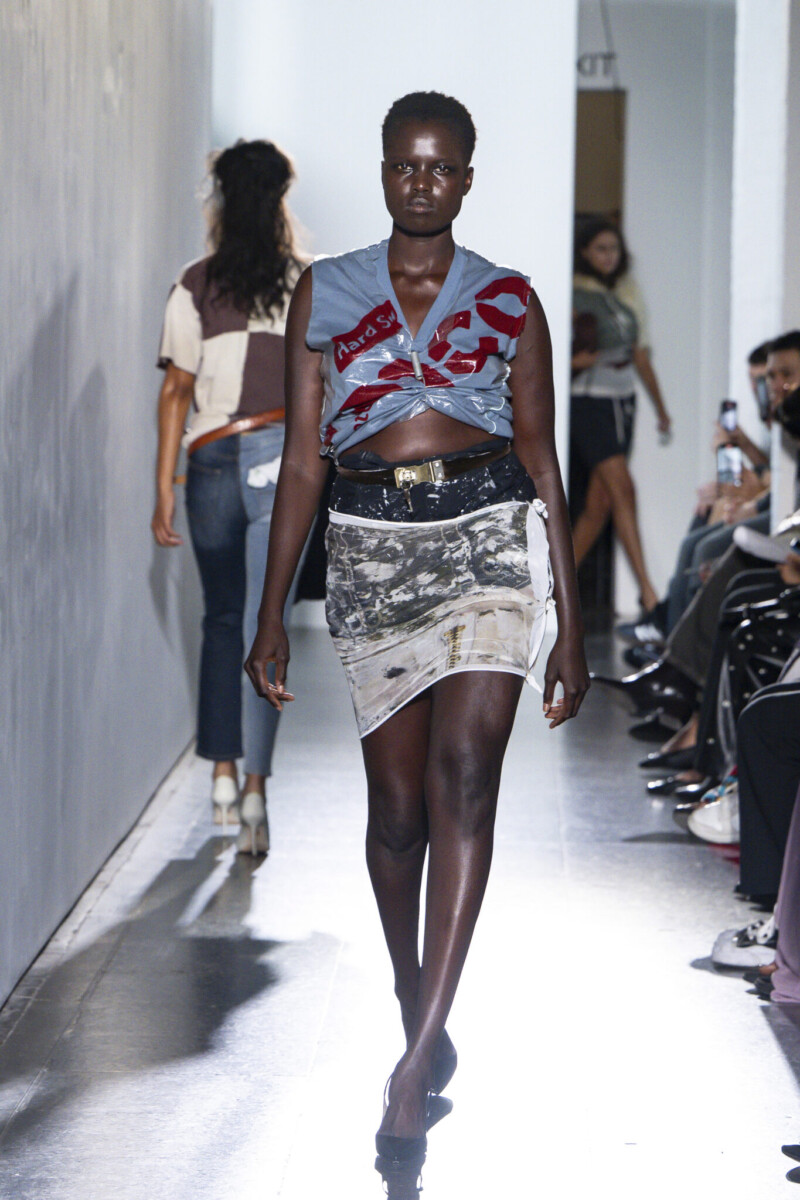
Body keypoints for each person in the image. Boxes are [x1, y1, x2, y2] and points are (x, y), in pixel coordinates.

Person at [244, 91, 589, 1191]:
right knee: (396, 818)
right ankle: (414, 1001)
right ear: (385, 169)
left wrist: (568, 621)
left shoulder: (510, 299)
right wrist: (270, 612)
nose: (421, 183)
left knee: (464, 784)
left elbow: (541, 460)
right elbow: (305, 459)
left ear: (467, 178)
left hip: (486, 538)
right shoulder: (327, 290)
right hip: (369, 550)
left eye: (441, 167)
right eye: (405, 165)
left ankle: (410, 1069)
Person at [151, 139, 302, 856]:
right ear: (279, 201)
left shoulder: (195, 283)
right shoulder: (306, 282)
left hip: (209, 461)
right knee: (265, 627)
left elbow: (175, 390)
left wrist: (163, 487)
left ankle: (220, 772)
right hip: (278, 460)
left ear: (220, 201)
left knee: (219, 619)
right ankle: (256, 793)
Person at [570, 217, 671, 616]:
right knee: (623, 490)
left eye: (613, 248)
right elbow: (554, 347)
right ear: (585, 252)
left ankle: (551, 589)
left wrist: (661, 408)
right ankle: (649, 594)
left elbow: (640, 355)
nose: (608, 256)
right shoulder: (574, 292)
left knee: (600, 505)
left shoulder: (625, 295)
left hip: (623, 401)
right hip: (589, 401)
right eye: (600, 248)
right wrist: (573, 362)